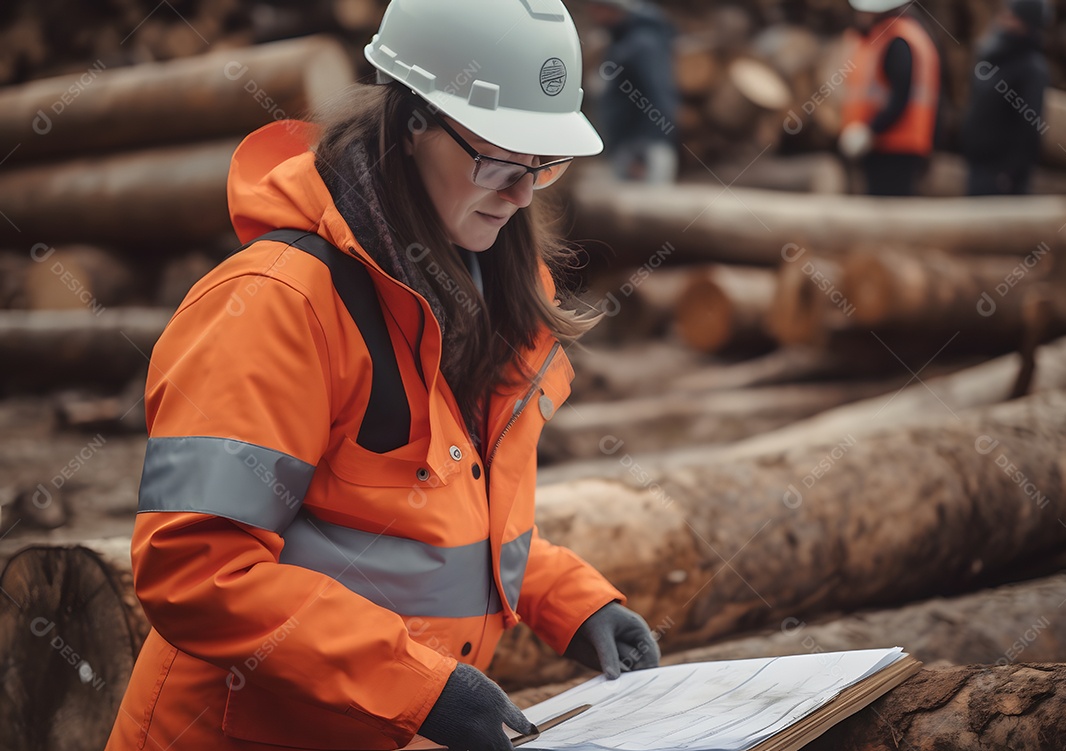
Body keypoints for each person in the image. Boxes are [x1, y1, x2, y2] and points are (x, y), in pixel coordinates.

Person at [104, 1, 659, 749]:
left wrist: (574, 602)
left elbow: (442, 516)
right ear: (413, 121)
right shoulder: (278, 302)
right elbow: (198, 563)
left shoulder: (493, 290)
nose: (523, 192)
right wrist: (416, 685)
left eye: (544, 164)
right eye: (500, 161)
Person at [838, 0, 941, 196]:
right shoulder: (890, 35)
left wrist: (869, 130)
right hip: (885, 146)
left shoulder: (898, 40)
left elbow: (901, 96)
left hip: (896, 147)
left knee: (891, 214)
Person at [963, 0, 1052, 196]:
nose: (1004, 19)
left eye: (1012, 15)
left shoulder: (1032, 68)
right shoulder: (994, 56)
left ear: (1027, 24)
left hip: (1002, 176)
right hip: (978, 165)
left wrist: (1010, 173)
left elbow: (1030, 125)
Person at [587, 0, 679, 183]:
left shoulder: (643, 44)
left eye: (597, 7)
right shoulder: (624, 41)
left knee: (646, 209)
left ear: (612, 8)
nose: (592, 13)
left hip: (641, 150)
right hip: (628, 146)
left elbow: (656, 94)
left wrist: (642, 153)